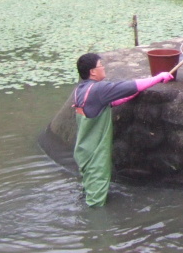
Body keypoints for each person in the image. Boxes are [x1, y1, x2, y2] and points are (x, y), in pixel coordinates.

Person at [72, 52, 173, 207]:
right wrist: (158, 78)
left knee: (88, 189)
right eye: (101, 65)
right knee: (95, 202)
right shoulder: (98, 89)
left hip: (84, 151)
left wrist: (133, 94)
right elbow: (129, 86)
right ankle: (95, 228)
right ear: (92, 71)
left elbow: (109, 103)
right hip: (95, 155)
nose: (104, 68)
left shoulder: (82, 90)